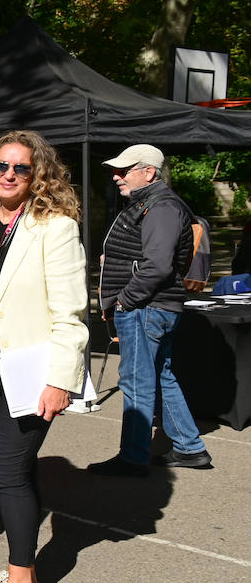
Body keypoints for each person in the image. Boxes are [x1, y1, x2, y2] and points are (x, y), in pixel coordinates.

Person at [0, 130, 87, 583]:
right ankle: (22, 562)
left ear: (38, 175)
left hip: (34, 371)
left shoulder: (55, 227)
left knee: (6, 468)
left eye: (21, 168)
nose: (9, 175)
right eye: (0, 167)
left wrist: (60, 379)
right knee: (19, 469)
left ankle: (23, 582)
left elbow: (71, 312)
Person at [90, 145, 212, 475]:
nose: (116, 176)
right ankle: (190, 448)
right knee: (161, 376)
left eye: (124, 170)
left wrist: (125, 300)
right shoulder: (152, 202)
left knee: (136, 381)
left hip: (146, 306)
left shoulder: (161, 206)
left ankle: (133, 458)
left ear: (149, 172)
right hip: (150, 306)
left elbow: (157, 265)